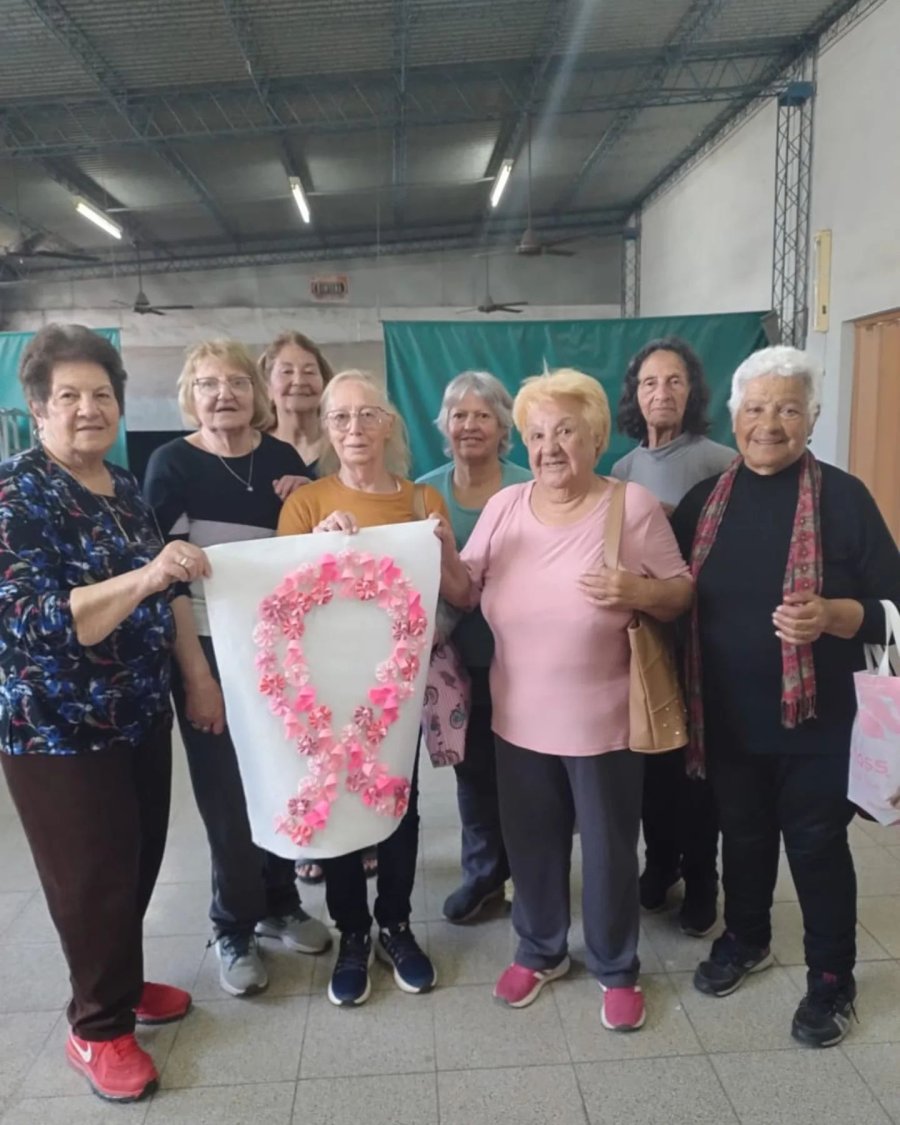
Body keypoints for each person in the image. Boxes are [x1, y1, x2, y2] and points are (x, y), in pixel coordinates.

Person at [440, 369, 693, 1031]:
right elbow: (465, 588)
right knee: (531, 842)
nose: (550, 446)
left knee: (610, 848)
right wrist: (439, 545)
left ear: (597, 435)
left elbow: (681, 591)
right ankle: (541, 947)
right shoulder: (504, 506)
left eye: (565, 431)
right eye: (537, 434)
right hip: (517, 715)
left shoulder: (628, 506)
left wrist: (635, 592)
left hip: (604, 721)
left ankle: (615, 965)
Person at [0, 324, 213, 1103]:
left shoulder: (123, 486)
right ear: (36, 407)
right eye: (70, 396)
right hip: (55, 728)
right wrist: (147, 575)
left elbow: (170, 593)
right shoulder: (16, 490)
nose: (89, 408)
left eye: (102, 394)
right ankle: (97, 1028)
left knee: (137, 858)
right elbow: (35, 617)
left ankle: (118, 980)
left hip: (134, 712)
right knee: (90, 878)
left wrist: (195, 676)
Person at [671, 345, 900, 1048]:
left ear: (812, 418)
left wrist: (835, 614)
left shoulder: (845, 496)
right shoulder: (703, 501)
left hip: (820, 720)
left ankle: (832, 975)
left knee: (816, 842)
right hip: (729, 716)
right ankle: (747, 935)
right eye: (758, 407)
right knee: (740, 834)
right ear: (735, 415)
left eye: (789, 408)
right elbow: (669, 593)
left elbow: (894, 604)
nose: (770, 422)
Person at [144, 339, 331, 1001]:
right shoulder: (170, 464)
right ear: (190, 394)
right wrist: (196, 677)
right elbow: (166, 583)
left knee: (281, 781)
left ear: (257, 394)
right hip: (208, 652)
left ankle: (281, 901)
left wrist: (308, 497)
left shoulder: (280, 458)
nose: (224, 394)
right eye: (208, 383)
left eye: (236, 383)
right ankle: (233, 925)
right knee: (226, 798)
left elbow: (306, 556)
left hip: (279, 653)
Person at [278, 369, 452, 1007]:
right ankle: (353, 931)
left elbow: (454, 593)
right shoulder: (306, 504)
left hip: (396, 690)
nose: (355, 428)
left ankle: (397, 926)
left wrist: (444, 551)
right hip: (325, 689)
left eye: (368, 414)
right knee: (341, 807)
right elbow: (281, 599)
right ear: (326, 427)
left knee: (397, 806)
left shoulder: (420, 505)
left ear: (389, 424)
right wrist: (314, 552)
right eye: (341, 416)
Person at [612, 338, 735, 937]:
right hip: (646, 638)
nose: (663, 393)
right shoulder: (621, 470)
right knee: (652, 761)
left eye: (675, 381)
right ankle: (658, 864)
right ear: (635, 394)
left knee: (696, 765)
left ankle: (701, 877)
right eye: (650, 383)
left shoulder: (720, 460)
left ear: (693, 392)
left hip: (703, 635)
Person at [417, 371, 530, 923]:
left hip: (525, 661)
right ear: (445, 425)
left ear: (503, 425)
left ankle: (530, 878)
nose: (469, 425)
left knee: (527, 775)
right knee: (474, 775)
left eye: (482, 415)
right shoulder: (424, 491)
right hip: (455, 666)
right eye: (459, 415)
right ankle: (483, 876)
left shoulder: (529, 487)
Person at [260, 330, 333, 474]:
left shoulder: (343, 445)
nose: (299, 381)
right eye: (287, 372)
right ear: (267, 386)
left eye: (309, 372)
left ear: (325, 384)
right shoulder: (253, 449)